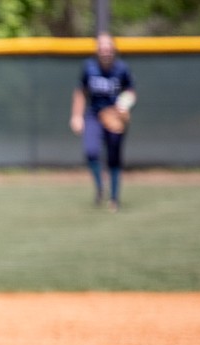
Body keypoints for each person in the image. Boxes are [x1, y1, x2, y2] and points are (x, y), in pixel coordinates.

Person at [69, 32, 137, 211]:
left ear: (114, 50)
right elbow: (81, 91)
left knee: (114, 158)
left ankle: (114, 198)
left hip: (115, 116)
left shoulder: (121, 68)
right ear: (97, 51)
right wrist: (76, 115)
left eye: (108, 48)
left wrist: (124, 105)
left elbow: (130, 91)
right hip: (94, 115)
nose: (105, 51)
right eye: (102, 48)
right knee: (91, 152)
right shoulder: (89, 67)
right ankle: (100, 187)